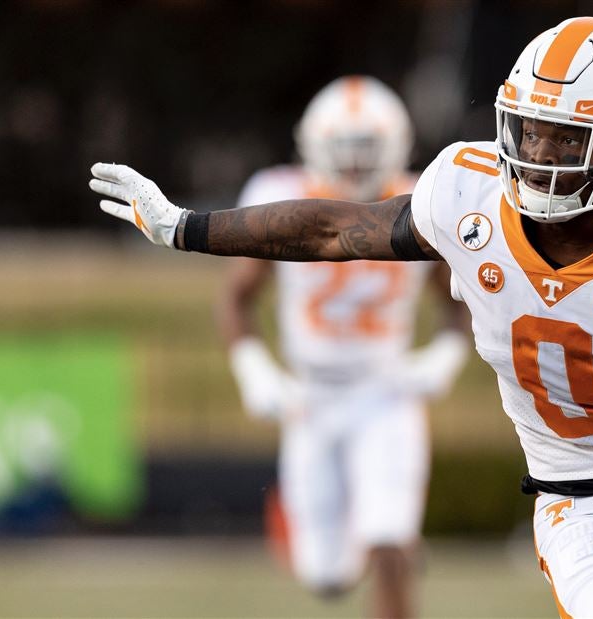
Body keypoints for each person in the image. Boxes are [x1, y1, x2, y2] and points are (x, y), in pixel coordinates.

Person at [91, 17, 593, 618]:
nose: (541, 152)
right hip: (584, 513)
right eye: (531, 129)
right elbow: (332, 229)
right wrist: (183, 225)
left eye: (568, 138)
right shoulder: (467, 196)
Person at [216, 76, 470, 619]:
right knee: (327, 578)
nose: (356, 167)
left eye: (367, 151)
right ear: (313, 147)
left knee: (386, 541)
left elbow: (464, 297)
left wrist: (445, 353)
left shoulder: (420, 202)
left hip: (385, 392)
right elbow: (236, 297)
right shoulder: (278, 196)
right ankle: (387, 542)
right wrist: (253, 369)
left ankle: (395, 543)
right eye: (345, 151)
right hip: (310, 398)